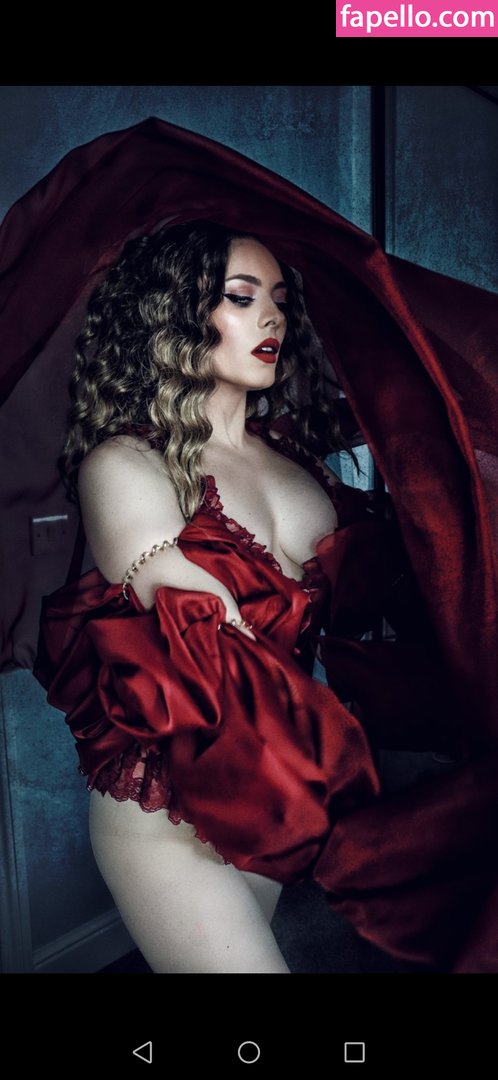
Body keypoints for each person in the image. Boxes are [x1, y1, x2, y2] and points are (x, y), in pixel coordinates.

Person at [3, 117, 498, 973]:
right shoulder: (123, 464)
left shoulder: (300, 466)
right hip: (166, 810)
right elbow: (195, 615)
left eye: (278, 298)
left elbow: (397, 594)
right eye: (240, 296)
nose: (270, 315)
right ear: (178, 313)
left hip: (272, 800)